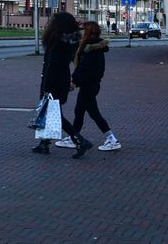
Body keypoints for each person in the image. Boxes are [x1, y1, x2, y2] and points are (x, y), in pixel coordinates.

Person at [32, 11, 89, 155]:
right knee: (50, 113)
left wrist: (46, 87)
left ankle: (80, 141)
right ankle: (44, 143)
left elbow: (52, 65)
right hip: (61, 80)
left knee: (55, 114)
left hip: (53, 82)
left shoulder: (57, 41)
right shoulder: (69, 41)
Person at [60, 21, 120, 157]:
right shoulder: (92, 47)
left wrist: (74, 81)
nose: (80, 32)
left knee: (93, 113)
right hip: (91, 84)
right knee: (80, 111)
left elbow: (84, 68)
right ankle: (74, 137)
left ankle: (111, 139)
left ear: (87, 32)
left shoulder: (90, 49)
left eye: (83, 30)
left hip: (89, 85)